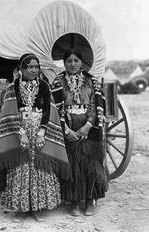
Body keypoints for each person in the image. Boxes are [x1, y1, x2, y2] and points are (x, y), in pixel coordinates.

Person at [0, 53, 70, 222]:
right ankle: (20, 209)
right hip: (20, 131)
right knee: (20, 167)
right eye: (30, 67)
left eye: (36, 67)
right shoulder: (12, 89)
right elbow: (9, 113)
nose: (34, 70)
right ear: (21, 69)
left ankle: (37, 208)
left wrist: (42, 133)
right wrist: (21, 134)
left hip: (40, 131)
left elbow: (48, 111)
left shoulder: (44, 86)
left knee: (39, 167)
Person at [51, 48, 109, 216]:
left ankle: (91, 200)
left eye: (76, 61)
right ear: (64, 63)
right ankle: (75, 201)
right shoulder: (57, 81)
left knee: (90, 164)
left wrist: (89, 124)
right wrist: (66, 129)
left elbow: (96, 104)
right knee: (73, 164)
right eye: (69, 61)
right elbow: (55, 107)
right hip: (68, 126)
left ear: (82, 63)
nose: (73, 64)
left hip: (89, 126)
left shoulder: (92, 82)